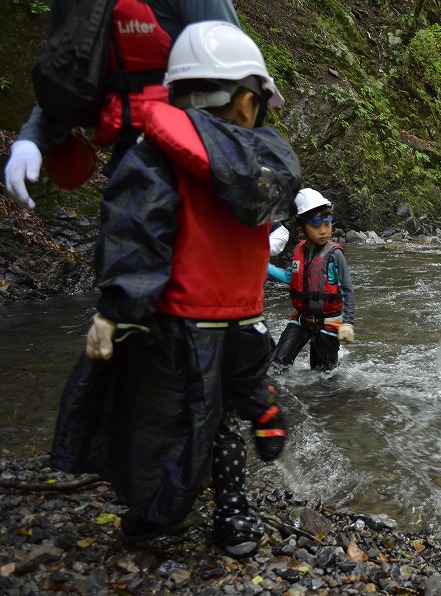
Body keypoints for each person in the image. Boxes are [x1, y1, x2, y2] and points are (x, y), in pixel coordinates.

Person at [50, 22, 302, 556]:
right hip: (245, 324)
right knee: (224, 420)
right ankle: (233, 511)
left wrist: (116, 309)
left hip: (181, 327)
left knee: (168, 421)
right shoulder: (266, 165)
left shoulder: (157, 154)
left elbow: (136, 234)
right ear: (243, 101)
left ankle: (162, 509)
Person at [4, 0, 242, 210]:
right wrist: (30, 140)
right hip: (130, 169)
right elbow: (63, 85)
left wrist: (240, 174)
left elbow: (240, 76)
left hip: (200, 164)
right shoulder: (70, 3)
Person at [267, 188, 356, 373]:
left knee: (323, 376)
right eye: (316, 226)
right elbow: (290, 277)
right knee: (276, 366)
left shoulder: (335, 255)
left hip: (329, 322)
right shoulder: (299, 250)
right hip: (301, 318)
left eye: (327, 224)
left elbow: (347, 290)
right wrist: (263, 265)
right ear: (302, 229)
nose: (323, 231)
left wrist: (348, 323)